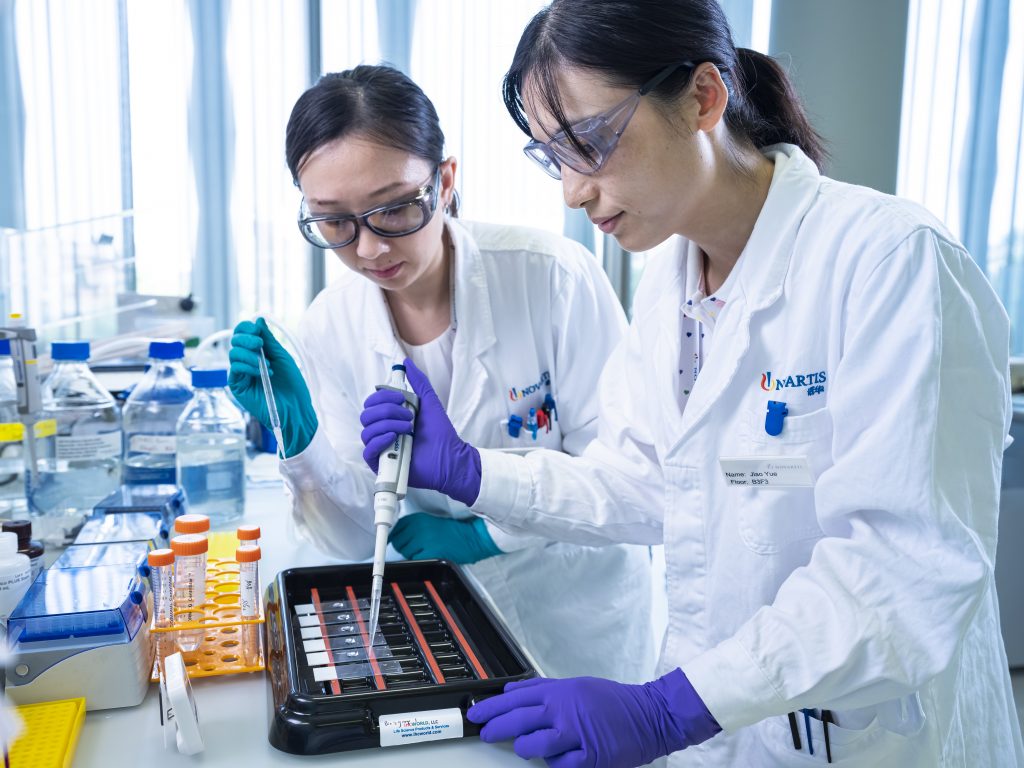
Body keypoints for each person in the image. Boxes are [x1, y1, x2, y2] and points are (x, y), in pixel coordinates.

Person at [357, 1, 1024, 766]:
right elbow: (648, 483)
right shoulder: (668, 286)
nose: (572, 193)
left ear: (704, 96)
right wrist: (478, 476)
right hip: (730, 732)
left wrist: (669, 707)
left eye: (591, 144)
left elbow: (903, 570)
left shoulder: (888, 262)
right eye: (552, 157)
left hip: (869, 739)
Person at [228, 64, 655, 683]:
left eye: (394, 208)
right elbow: (351, 542)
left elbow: (620, 474)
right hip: (435, 630)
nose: (369, 248)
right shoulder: (331, 325)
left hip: (578, 625)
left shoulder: (552, 277)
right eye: (334, 222)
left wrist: (488, 534)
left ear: (446, 181)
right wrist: (302, 447)